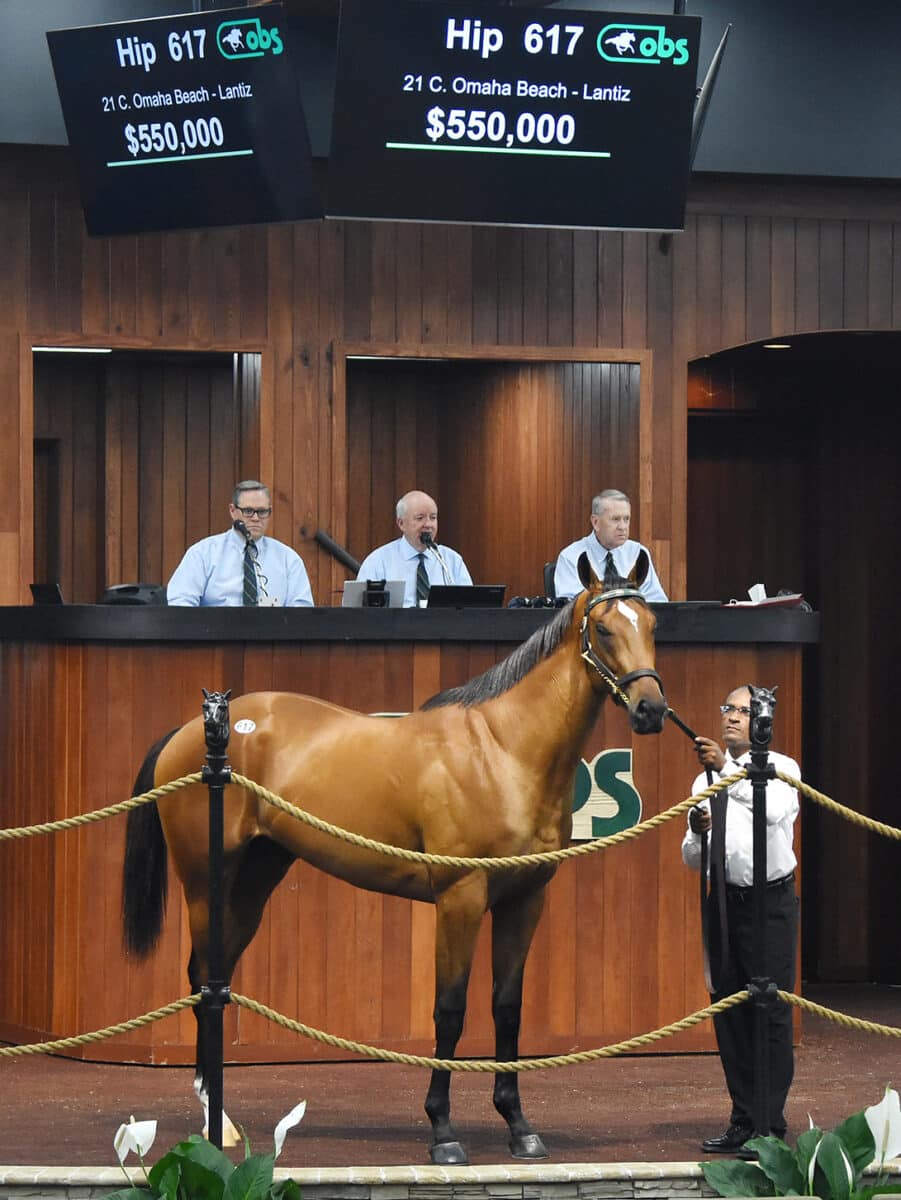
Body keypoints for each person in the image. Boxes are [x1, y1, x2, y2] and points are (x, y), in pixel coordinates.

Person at [681, 686, 800, 1156]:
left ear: (763, 718)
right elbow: (693, 859)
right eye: (726, 708)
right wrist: (696, 831)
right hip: (724, 903)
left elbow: (771, 810)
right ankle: (743, 1118)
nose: (731, 716)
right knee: (729, 1011)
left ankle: (769, 1128)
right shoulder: (703, 782)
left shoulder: (782, 768)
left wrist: (724, 770)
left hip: (769, 903)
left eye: (742, 710)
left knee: (768, 1014)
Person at [167, 481, 314, 607]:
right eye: (248, 511)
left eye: (262, 512)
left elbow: (302, 611)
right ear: (233, 511)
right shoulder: (204, 553)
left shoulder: (287, 559)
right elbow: (181, 602)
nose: (256, 518)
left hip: (271, 637)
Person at [356, 489, 472, 608]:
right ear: (401, 523)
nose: (428, 525)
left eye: (433, 517)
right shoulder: (378, 561)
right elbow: (360, 611)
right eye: (420, 518)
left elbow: (470, 608)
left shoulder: (451, 561)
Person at [553, 489, 668, 601]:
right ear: (595, 522)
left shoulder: (638, 553)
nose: (623, 527)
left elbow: (657, 603)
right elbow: (571, 609)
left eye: (626, 519)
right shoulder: (571, 557)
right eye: (616, 519)